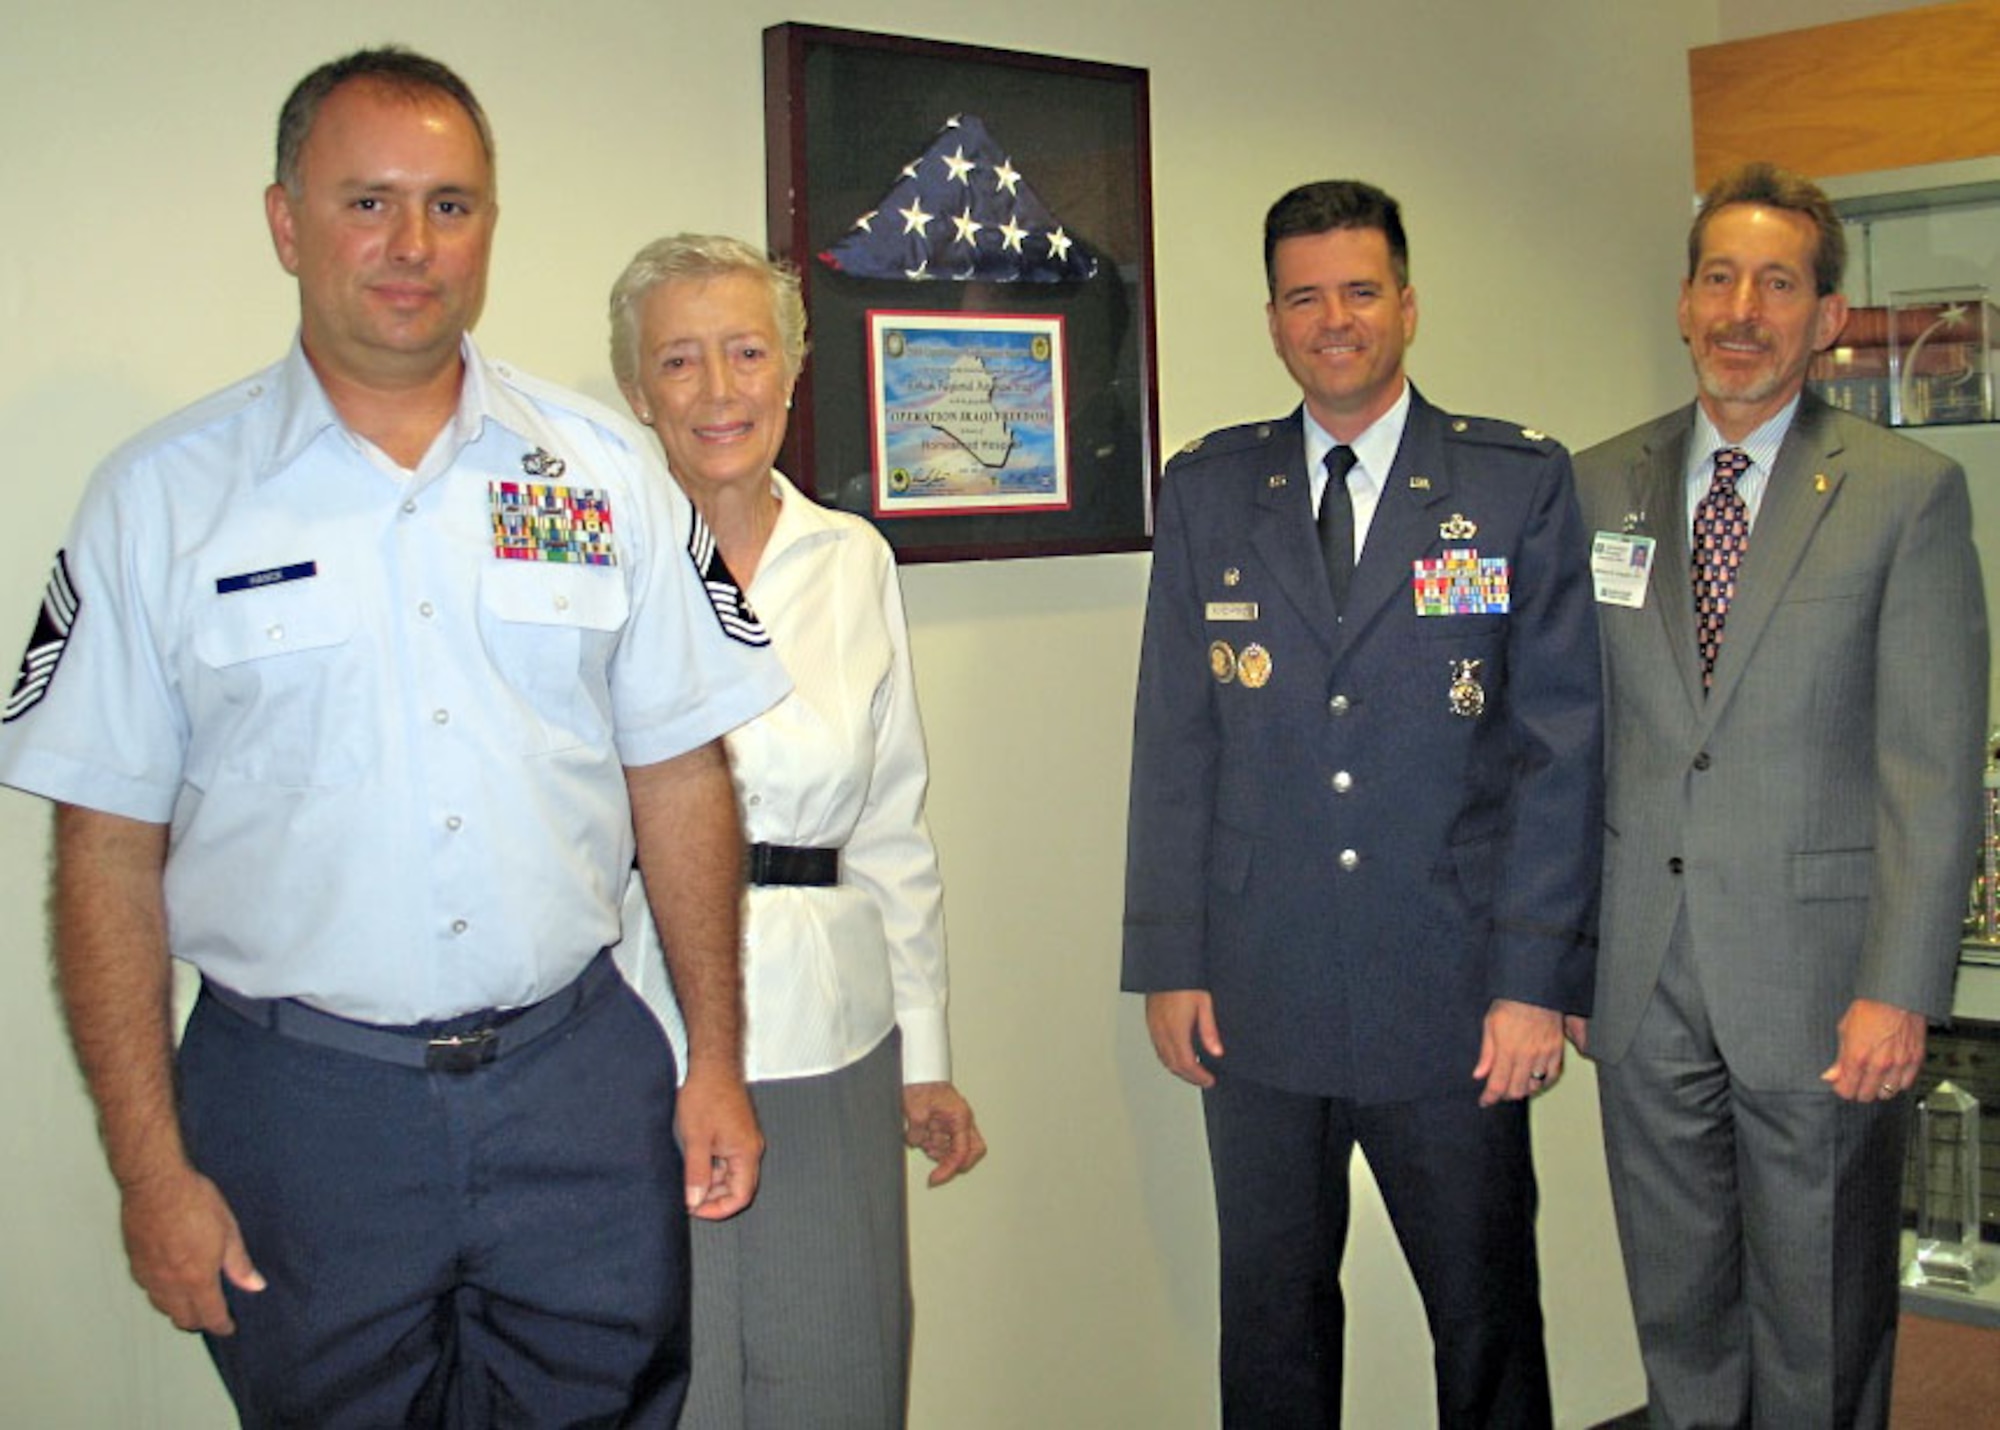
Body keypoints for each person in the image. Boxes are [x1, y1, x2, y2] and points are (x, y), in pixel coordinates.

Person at [0, 49, 787, 1427]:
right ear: (285, 221)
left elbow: (679, 774)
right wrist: (149, 1166)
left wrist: (714, 1054)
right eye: (367, 202)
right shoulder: (160, 503)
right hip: (298, 1111)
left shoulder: (601, 471)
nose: (412, 244)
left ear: (489, 225)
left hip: (574, 1087)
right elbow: (106, 850)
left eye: (450, 205)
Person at [1122, 179, 1602, 1427]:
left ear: (1405, 303)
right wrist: (1170, 959)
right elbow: (1174, 739)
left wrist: (1533, 977)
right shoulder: (1210, 490)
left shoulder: (1511, 484)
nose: (1331, 319)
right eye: (1303, 297)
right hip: (1257, 989)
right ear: (1272, 320)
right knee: (1269, 1322)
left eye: (1357, 290)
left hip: (1453, 992)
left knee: (1484, 1317)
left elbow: (1558, 748)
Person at [1571, 161, 1987, 1429]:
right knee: (1678, 1320)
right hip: (1640, 977)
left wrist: (1898, 987)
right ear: (1682, 301)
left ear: (1825, 317)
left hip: (1821, 986)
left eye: (1775, 283)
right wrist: (1567, 954)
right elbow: (1569, 740)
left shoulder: (1903, 491)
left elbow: (1928, 763)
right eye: (1717, 277)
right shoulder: (1593, 484)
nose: (1740, 310)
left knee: (1820, 1322)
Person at [607, 232, 987, 1428]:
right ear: (635, 391)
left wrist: (924, 1054)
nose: (718, 390)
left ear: (789, 369)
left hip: (831, 1034)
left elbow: (890, 827)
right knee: (670, 1382)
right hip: (639, 1033)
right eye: (679, 360)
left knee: (835, 1368)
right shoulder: (595, 565)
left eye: (746, 352)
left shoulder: (850, 559)